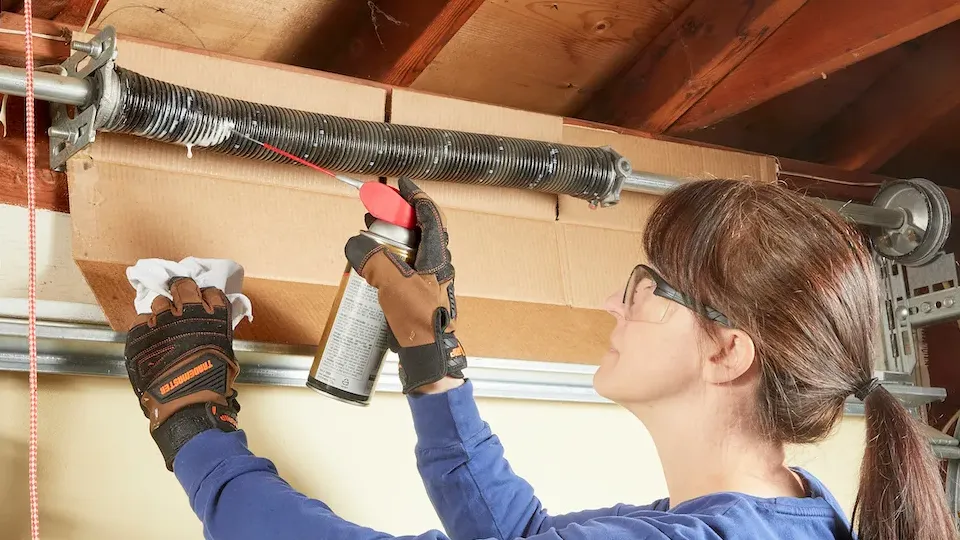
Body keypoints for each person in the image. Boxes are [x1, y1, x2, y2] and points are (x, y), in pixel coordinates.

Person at [122, 178, 956, 540]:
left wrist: (196, 433)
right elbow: (515, 535)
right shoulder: (790, 516)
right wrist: (431, 358)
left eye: (649, 287)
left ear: (727, 352)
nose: (614, 304)